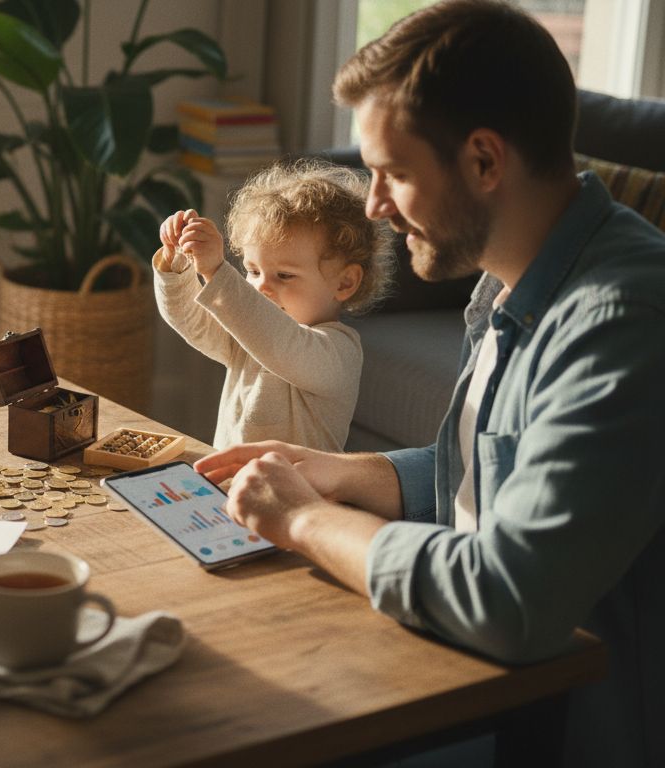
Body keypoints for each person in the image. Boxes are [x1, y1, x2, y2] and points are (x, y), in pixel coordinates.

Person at [194, 1, 665, 764]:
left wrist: (304, 520)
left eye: (394, 173)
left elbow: (509, 601)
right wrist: (353, 474)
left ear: (484, 162)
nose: (375, 206)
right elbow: (513, 463)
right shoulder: (515, 281)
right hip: (494, 694)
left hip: (565, 731)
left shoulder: (621, 321)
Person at [154, 159, 392, 453]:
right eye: (253, 271)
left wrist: (217, 271)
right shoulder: (248, 335)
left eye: (284, 275)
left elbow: (280, 342)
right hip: (227, 485)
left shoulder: (339, 352)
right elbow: (191, 320)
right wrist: (177, 262)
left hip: (300, 495)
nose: (261, 287)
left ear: (344, 283)